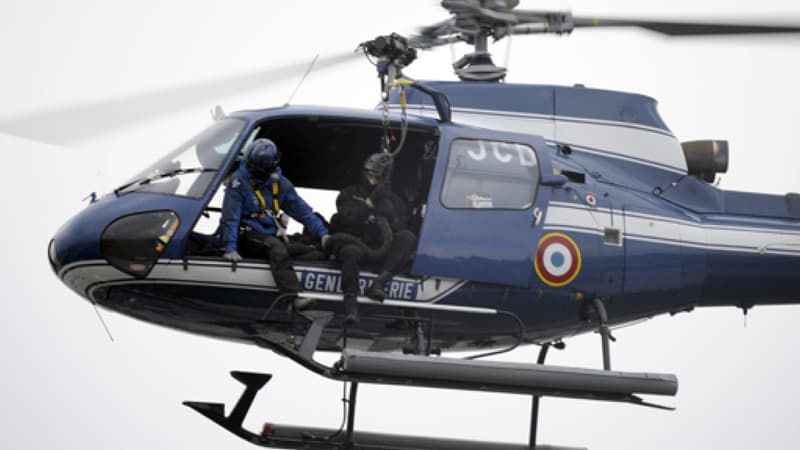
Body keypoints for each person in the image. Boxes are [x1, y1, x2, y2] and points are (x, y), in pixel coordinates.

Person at [219, 138, 329, 309]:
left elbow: (303, 212)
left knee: (305, 250)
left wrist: (323, 233)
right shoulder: (238, 182)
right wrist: (230, 248)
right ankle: (293, 298)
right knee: (276, 247)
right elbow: (230, 217)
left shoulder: (281, 184)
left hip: (269, 236)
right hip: (246, 236)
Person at [329, 152, 417, 325]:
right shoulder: (349, 194)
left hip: (382, 249)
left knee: (407, 237)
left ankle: (379, 284)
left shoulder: (396, 201)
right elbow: (348, 219)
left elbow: (400, 229)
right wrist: (370, 203)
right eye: (370, 175)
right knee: (350, 252)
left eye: (377, 177)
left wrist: (389, 215)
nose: (372, 181)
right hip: (357, 243)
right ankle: (351, 306)